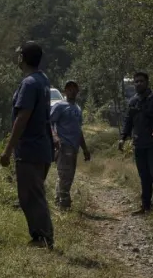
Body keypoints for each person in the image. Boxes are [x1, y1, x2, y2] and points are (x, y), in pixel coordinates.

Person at [0, 41, 55, 249]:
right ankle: (41, 236)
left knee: (31, 196)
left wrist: (7, 150)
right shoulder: (42, 80)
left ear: (23, 58)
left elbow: (22, 118)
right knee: (33, 193)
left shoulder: (30, 83)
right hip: (41, 147)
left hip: (31, 149)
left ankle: (42, 238)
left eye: (18, 55)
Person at [118, 71, 153, 214]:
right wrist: (122, 137)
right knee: (144, 175)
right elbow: (128, 121)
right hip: (139, 143)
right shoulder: (133, 101)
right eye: (136, 81)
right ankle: (145, 206)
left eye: (141, 81)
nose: (139, 83)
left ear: (147, 83)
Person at [50, 80, 91, 210]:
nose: (72, 91)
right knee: (65, 175)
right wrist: (55, 137)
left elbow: (79, 130)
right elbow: (49, 123)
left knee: (68, 175)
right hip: (63, 145)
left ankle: (59, 200)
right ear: (65, 91)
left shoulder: (77, 109)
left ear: (77, 91)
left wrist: (85, 149)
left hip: (74, 147)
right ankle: (64, 204)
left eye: (74, 88)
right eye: (69, 89)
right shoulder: (59, 106)